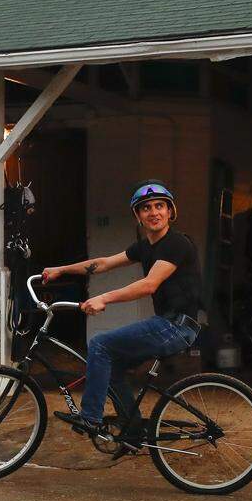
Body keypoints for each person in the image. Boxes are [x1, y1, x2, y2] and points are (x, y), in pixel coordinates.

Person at [42, 179, 202, 439]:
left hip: (177, 326)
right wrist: (61, 269)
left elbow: (149, 285)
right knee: (111, 365)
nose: (154, 212)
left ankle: (90, 417)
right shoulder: (145, 247)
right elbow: (103, 263)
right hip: (167, 323)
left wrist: (103, 298)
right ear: (138, 216)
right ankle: (132, 431)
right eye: (146, 208)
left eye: (160, 206)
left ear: (170, 211)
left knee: (100, 344)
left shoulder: (177, 244)